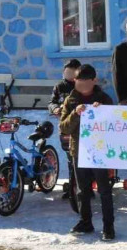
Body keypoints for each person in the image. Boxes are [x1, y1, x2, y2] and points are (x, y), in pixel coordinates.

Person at [59, 64, 116, 241]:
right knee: (82, 191)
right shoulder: (70, 100)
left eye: (86, 82)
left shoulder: (104, 99)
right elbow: (64, 128)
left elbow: (115, 125)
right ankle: (86, 222)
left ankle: (108, 227)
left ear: (94, 81)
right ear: (74, 81)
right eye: (79, 82)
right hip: (79, 152)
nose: (83, 86)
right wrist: (75, 114)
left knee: (104, 190)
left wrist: (102, 113)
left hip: (100, 152)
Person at [48, 58, 80, 200]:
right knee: (70, 157)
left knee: (82, 158)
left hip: (80, 127)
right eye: (67, 72)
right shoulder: (59, 86)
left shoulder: (81, 86)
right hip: (65, 126)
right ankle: (73, 186)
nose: (69, 74)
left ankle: (84, 186)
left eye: (72, 72)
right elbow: (52, 102)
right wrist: (55, 108)